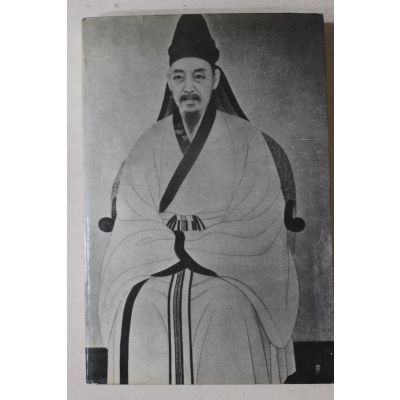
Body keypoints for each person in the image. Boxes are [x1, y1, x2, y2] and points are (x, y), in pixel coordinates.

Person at [98, 14, 299, 384]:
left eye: (199, 75)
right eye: (179, 77)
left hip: (229, 272)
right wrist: (175, 235)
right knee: (139, 306)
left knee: (227, 306)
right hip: (158, 265)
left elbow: (259, 216)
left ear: (215, 78)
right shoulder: (149, 143)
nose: (188, 87)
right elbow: (134, 216)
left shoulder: (247, 140)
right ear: (169, 81)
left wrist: (197, 236)